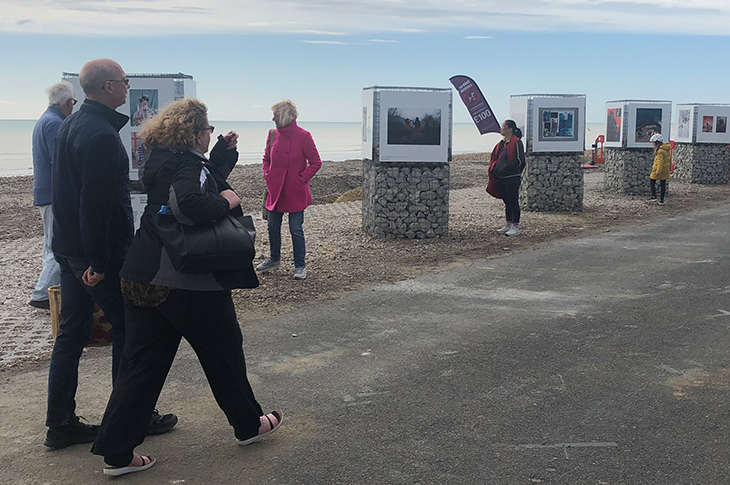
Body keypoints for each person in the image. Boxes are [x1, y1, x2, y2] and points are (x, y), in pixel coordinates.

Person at [90, 98, 282, 476]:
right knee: (224, 352)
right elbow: (192, 204)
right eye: (208, 130)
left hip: (140, 274)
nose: (210, 134)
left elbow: (190, 184)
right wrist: (227, 201)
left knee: (141, 366)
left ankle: (117, 452)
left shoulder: (160, 158)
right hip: (185, 280)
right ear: (196, 133)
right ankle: (248, 424)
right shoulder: (188, 162)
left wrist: (222, 155)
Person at [46, 58, 176, 450]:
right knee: (131, 330)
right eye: (124, 81)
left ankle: (60, 424)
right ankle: (131, 416)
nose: (127, 86)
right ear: (108, 88)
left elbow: (71, 196)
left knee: (71, 335)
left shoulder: (72, 124)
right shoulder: (101, 135)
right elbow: (95, 205)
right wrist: (99, 263)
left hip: (69, 249)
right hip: (94, 255)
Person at [256, 100, 322, 280]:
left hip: (295, 190)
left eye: (276, 115)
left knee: (295, 229)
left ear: (286, 116)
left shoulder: (304, 136)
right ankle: (274, 259)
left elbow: (316, 162)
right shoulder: (271, 134)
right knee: (272, 226)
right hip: (275, 188)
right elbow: (266, 158)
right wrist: (267, 174)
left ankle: (300, 265)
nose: (273, 119)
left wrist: (301, 179)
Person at [29, 81, 76, 310]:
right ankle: (42, 293)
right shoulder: (55, 123)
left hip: (45, 191)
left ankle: (46, 291)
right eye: (73, 103)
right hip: (52, 193)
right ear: (67, 103)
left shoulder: (45, 120)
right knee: (55, 243)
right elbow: (60, 161)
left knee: (52, 242)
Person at [488, 119, 526, 236]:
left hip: (512, 178)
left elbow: (520, 161)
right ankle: (508, 224)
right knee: (506, 202)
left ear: (510, 129)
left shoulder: (517, 142)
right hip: (501, 177)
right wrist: (495, 169)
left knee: (513, 201)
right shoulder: (502, 143)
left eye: (503, 127)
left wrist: (508, 169)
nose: (501, 128)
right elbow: (496, 158)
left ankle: (515, 226)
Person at [649, 133, 671, 204]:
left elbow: (659, 162)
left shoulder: (659, 151)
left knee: (652, 180)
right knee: (663, 184)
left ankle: (653, 196)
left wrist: (658, 171)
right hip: (665, 170)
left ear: (656, 142)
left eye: (653, 142)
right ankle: (661, 200)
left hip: (659, 170)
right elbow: (669, 160)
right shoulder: (666, 149)